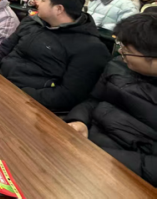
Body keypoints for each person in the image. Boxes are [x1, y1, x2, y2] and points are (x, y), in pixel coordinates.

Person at [0, 0, 110, 113]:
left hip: (30, 105)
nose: (37, 2)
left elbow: (69, 95)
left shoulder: (90, 48)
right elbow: (4, 48)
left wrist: (19, 94)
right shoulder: (32, 22)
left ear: (59, 9)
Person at [65, 14, 157, 186]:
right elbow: (93, 100)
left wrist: (99, 155)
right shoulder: (118, 65)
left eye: (127, 50)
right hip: (86, 145)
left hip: (125, 173)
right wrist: (79, 120)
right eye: (121, 46)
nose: (121, 52)